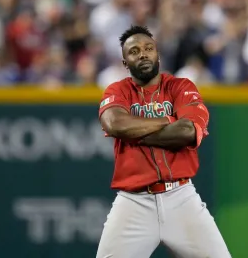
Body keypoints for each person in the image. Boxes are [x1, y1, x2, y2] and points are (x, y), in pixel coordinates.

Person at [96, 25, 231, 258]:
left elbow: (188, 130)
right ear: (125, 63)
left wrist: (135, 133)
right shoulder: (117, 90)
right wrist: (170, 120)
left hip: (181, 197)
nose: (143, 54)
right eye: (134, 51)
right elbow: (115, 124)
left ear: (158, 54)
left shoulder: (181, 87)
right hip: (133, 202)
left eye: (149, 48)